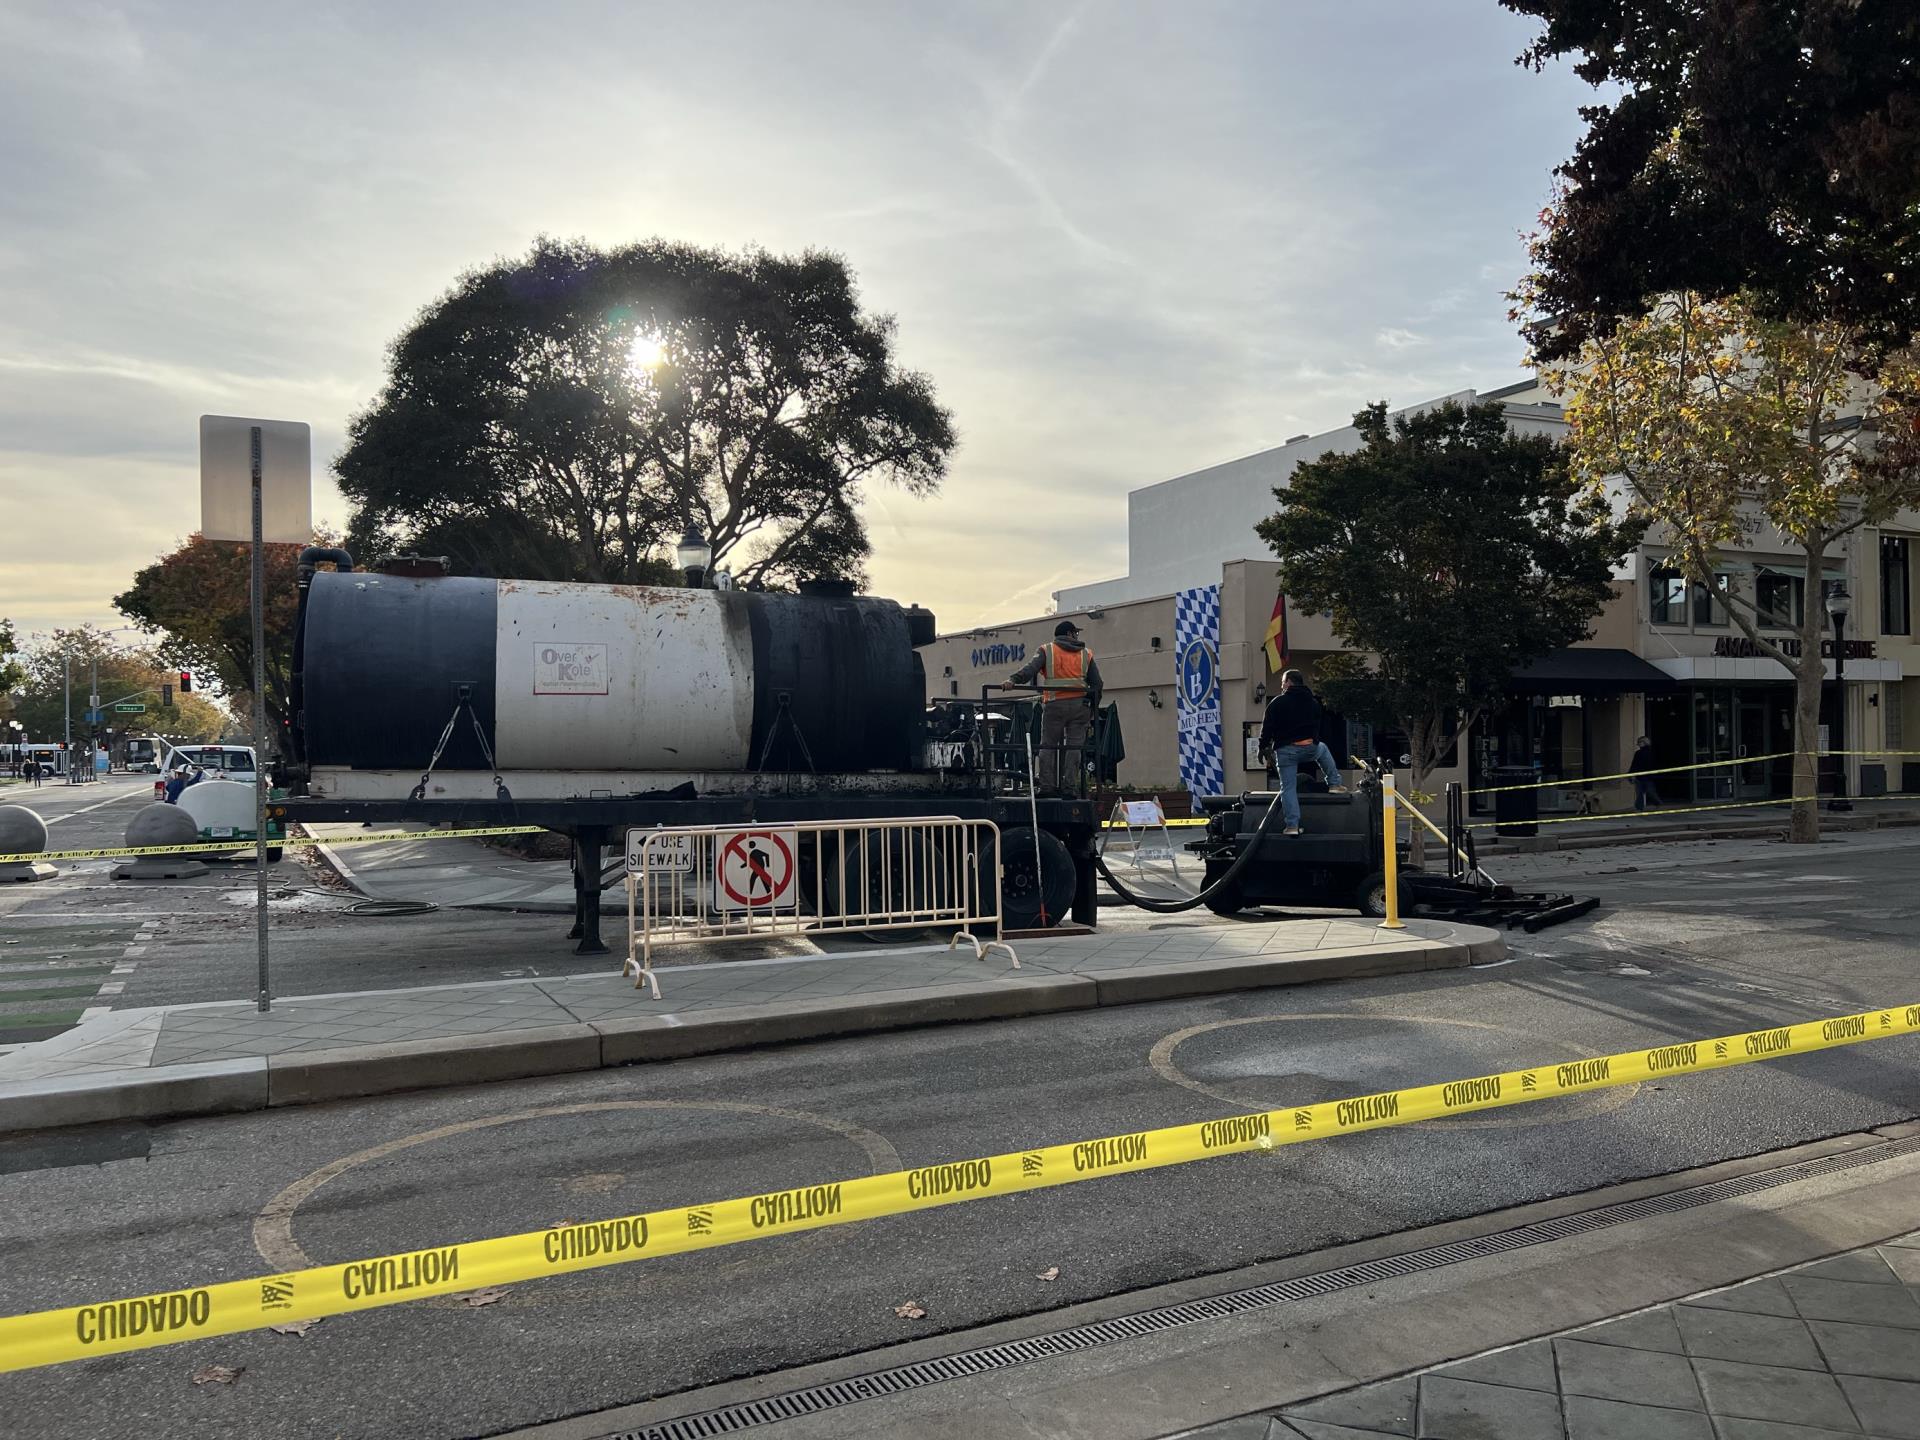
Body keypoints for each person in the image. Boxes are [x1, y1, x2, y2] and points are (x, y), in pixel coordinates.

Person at [1008, 620, 1104, 792]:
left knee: (1048, 746)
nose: (1076, 636)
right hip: (1079, 707)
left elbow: (1031, 669)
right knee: (1074, 748)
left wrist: (1013, 680)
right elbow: (1098, 683)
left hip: (1055, 705)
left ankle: (1046, 787)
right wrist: (1092, 708)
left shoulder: (1047, 650)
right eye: (1075, 633)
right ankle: (1070, 788)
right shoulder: (1086, 654)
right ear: (1069, 634)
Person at [1258, 669, 1349, 835]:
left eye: (1283, 682)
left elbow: (1267, 728)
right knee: (1323, 748)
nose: (1281, 685)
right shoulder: (1313, 702)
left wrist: (1262, 747)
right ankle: (1334, 784)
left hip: (1285, 751)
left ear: (1290, 683)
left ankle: (1292, 826)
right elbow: (1318, 726)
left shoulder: (1278, 702)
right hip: (1309, 748)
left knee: (1288, 788)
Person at [1629, 735, 1659, 810]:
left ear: (1644, 742)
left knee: (1650, 792)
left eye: (1639, 742)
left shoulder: (1651, 753)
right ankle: (1639, 808)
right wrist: (1632, 774)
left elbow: (1653, 764)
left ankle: (1657, 803)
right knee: (1639, 793)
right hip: (1640, 777)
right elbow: (1634, 764)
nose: (1638, 744)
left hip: (1648, 777)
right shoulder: (1638, 753)